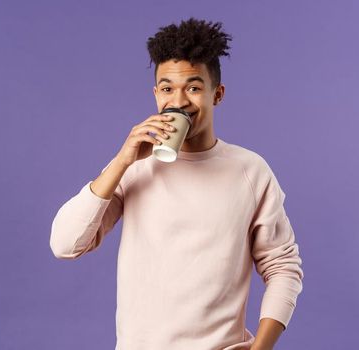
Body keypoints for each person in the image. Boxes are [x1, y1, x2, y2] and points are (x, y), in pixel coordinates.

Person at [50, 17, 303, 350]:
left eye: (194, 87)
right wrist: (122, 160)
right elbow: (65, 245)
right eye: (168, 88)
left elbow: (284, 269)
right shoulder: (134, 168)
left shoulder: (250, 171)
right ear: (156, 94)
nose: (179, 100)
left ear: (218, 94)